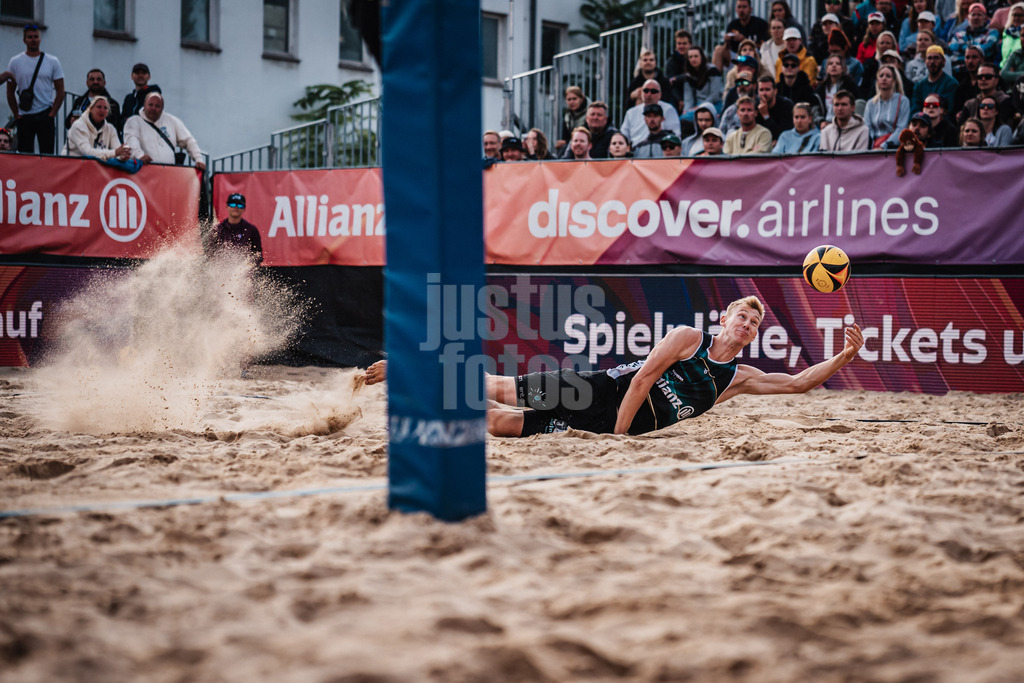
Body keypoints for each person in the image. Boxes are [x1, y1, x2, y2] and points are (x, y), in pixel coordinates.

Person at [362, 297, 865, 439]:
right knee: (498, 387)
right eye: (743, 316)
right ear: (724, 318)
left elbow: (798, 384)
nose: (748, 325)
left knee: (495, 422)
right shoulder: (690, 338)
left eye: (755, 323)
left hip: (610, 425)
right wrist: (620, 432)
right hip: (600, 395)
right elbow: (644, 378)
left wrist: (843, 356)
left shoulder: (740, 378)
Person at [6, 24, 64, 154]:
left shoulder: (52, 61)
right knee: (25, 154)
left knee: (47, 153)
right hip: (25, 115)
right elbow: (10, 91)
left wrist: (52, 113)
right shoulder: (15, 62)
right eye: (30, 37)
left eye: (36, 37)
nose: (33, 40)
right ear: (24, 40)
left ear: (40, 39)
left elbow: (60, 90)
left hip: (45, 113)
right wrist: (16, 114)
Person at [123, 92, 206, 170]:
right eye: (150, 105)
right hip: (144, 173)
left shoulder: (172, 120)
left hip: (168, 175)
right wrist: (139, 156)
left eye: (157, 106)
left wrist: (198, 159)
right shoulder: (134, 121)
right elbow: (132, 140)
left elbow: (188, 140)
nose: (153, 108)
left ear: (162, 108)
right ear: (144, 105)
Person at [66, 96, 131, 160]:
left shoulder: (110, 128)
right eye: (99, 107)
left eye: (105, 108)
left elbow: (117, 151)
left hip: (94, 166)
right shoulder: (78, 125)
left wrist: (123, 156)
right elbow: (87, 152)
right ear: (90, 109)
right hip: (72, 165)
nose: (102, 110)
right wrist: (115, 153)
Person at [620, 79, 682, 146]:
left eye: (653, 91)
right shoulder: (631, 113)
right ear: (641, 93)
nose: (649, 94)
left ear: (660, 94)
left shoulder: (669, 110)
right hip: (636, 152)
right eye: (646, 91)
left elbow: (676, 136)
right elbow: (623, 137)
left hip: (662, 152)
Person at [714, 0, 771, 72]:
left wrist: (743, 40)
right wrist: (727, 41)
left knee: (748, 51)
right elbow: (729, 49)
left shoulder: (760, 24)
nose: (741, 10)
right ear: (736, 9)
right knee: (718, 49)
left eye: (744, 7)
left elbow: (765, 47)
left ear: (750, 9)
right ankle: (715, 79)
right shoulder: (732, 25)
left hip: (755, 56)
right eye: (739, 7)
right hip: (737, 58)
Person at [210, 193, 264, 265]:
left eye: (239, 205)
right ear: (227, 207)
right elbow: (210, 255)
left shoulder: (251, 230)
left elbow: (258, 255)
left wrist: (246, 267)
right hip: (221, 270)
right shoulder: (218, 230)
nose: (236, 207)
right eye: (232, 205)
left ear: (244, 208)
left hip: (244, 272)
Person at [864, 64, 912, 145]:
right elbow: (867, 128)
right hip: (874, 146)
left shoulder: (903, 101)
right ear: (877, 80)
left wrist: (885, 145)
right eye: (881, 76)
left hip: (893, 146)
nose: (884, 78)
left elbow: (901, 128)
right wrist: (873, 144)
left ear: (894, 80)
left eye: (888, 76)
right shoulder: (870, 103)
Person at [65, 68, 122, 135]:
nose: (95, 82)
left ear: (104, 83)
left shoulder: (112, 104)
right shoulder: (79, 102)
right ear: (87, 83)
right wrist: (72, 122)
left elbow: (115, 127)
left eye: (99, 79)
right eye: (92, 79)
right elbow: (67, 123)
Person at [948, 4, 1000, 75]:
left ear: (985, 19)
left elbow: (987, 49)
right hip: (960, 73)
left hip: (982, 74)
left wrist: (962, 49)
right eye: (973, 15)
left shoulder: (992, 33)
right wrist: (976, 56)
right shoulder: (959, 35)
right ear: (968, 18)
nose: (976, 17)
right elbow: (953, 53)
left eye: (979, 15)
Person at [677, 47, 724, 120]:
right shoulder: (688, 76)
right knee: (683, 118)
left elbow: (715, 95)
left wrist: (700, 107)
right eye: (690, 57)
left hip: (713, 104)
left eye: (696, 56)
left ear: (702, 57)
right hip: (696, 106)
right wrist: (686, 110)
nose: (693, 59)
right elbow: (688, 99)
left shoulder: (713, 71)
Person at [911, 45, 960, 114]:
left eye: (936, 58)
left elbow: (948, 111)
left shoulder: (951, 84)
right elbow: (915, 110)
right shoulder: (919, 86)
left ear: (943, 61)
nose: (932, 61)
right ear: (925, 61)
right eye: (929, 58)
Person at [816, 55, 862, 123]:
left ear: (843, 68)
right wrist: (821, 121)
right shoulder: (820, 88)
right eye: (830, 63)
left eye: (838, 63)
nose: (834, 66)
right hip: (824, 124)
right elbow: (815, 109)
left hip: (844, 123)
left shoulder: (850, 85)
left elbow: (855, 107)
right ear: (827, 68)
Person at [778, 52, 821, 119]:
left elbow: (813, 110)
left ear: (798, 68)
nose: (789, 67)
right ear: (782, 68)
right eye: (786, 65)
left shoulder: (807, 89)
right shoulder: (776, 88)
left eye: (793, 65)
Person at [120, 63, 161, 128]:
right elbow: (122, 119)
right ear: (132, 76)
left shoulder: (153, 96)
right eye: (137, 73)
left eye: (143, 73)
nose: (140, 75)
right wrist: (126, 121)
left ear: (149, 76)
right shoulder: (129, 98)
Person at [557, 86, 589, 151]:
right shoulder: (567, 116)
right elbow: (565, 137)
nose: (571, 102)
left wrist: (566, 142)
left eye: (574, 99)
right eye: (569, 99)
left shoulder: (590, 114)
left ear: (582, 99)